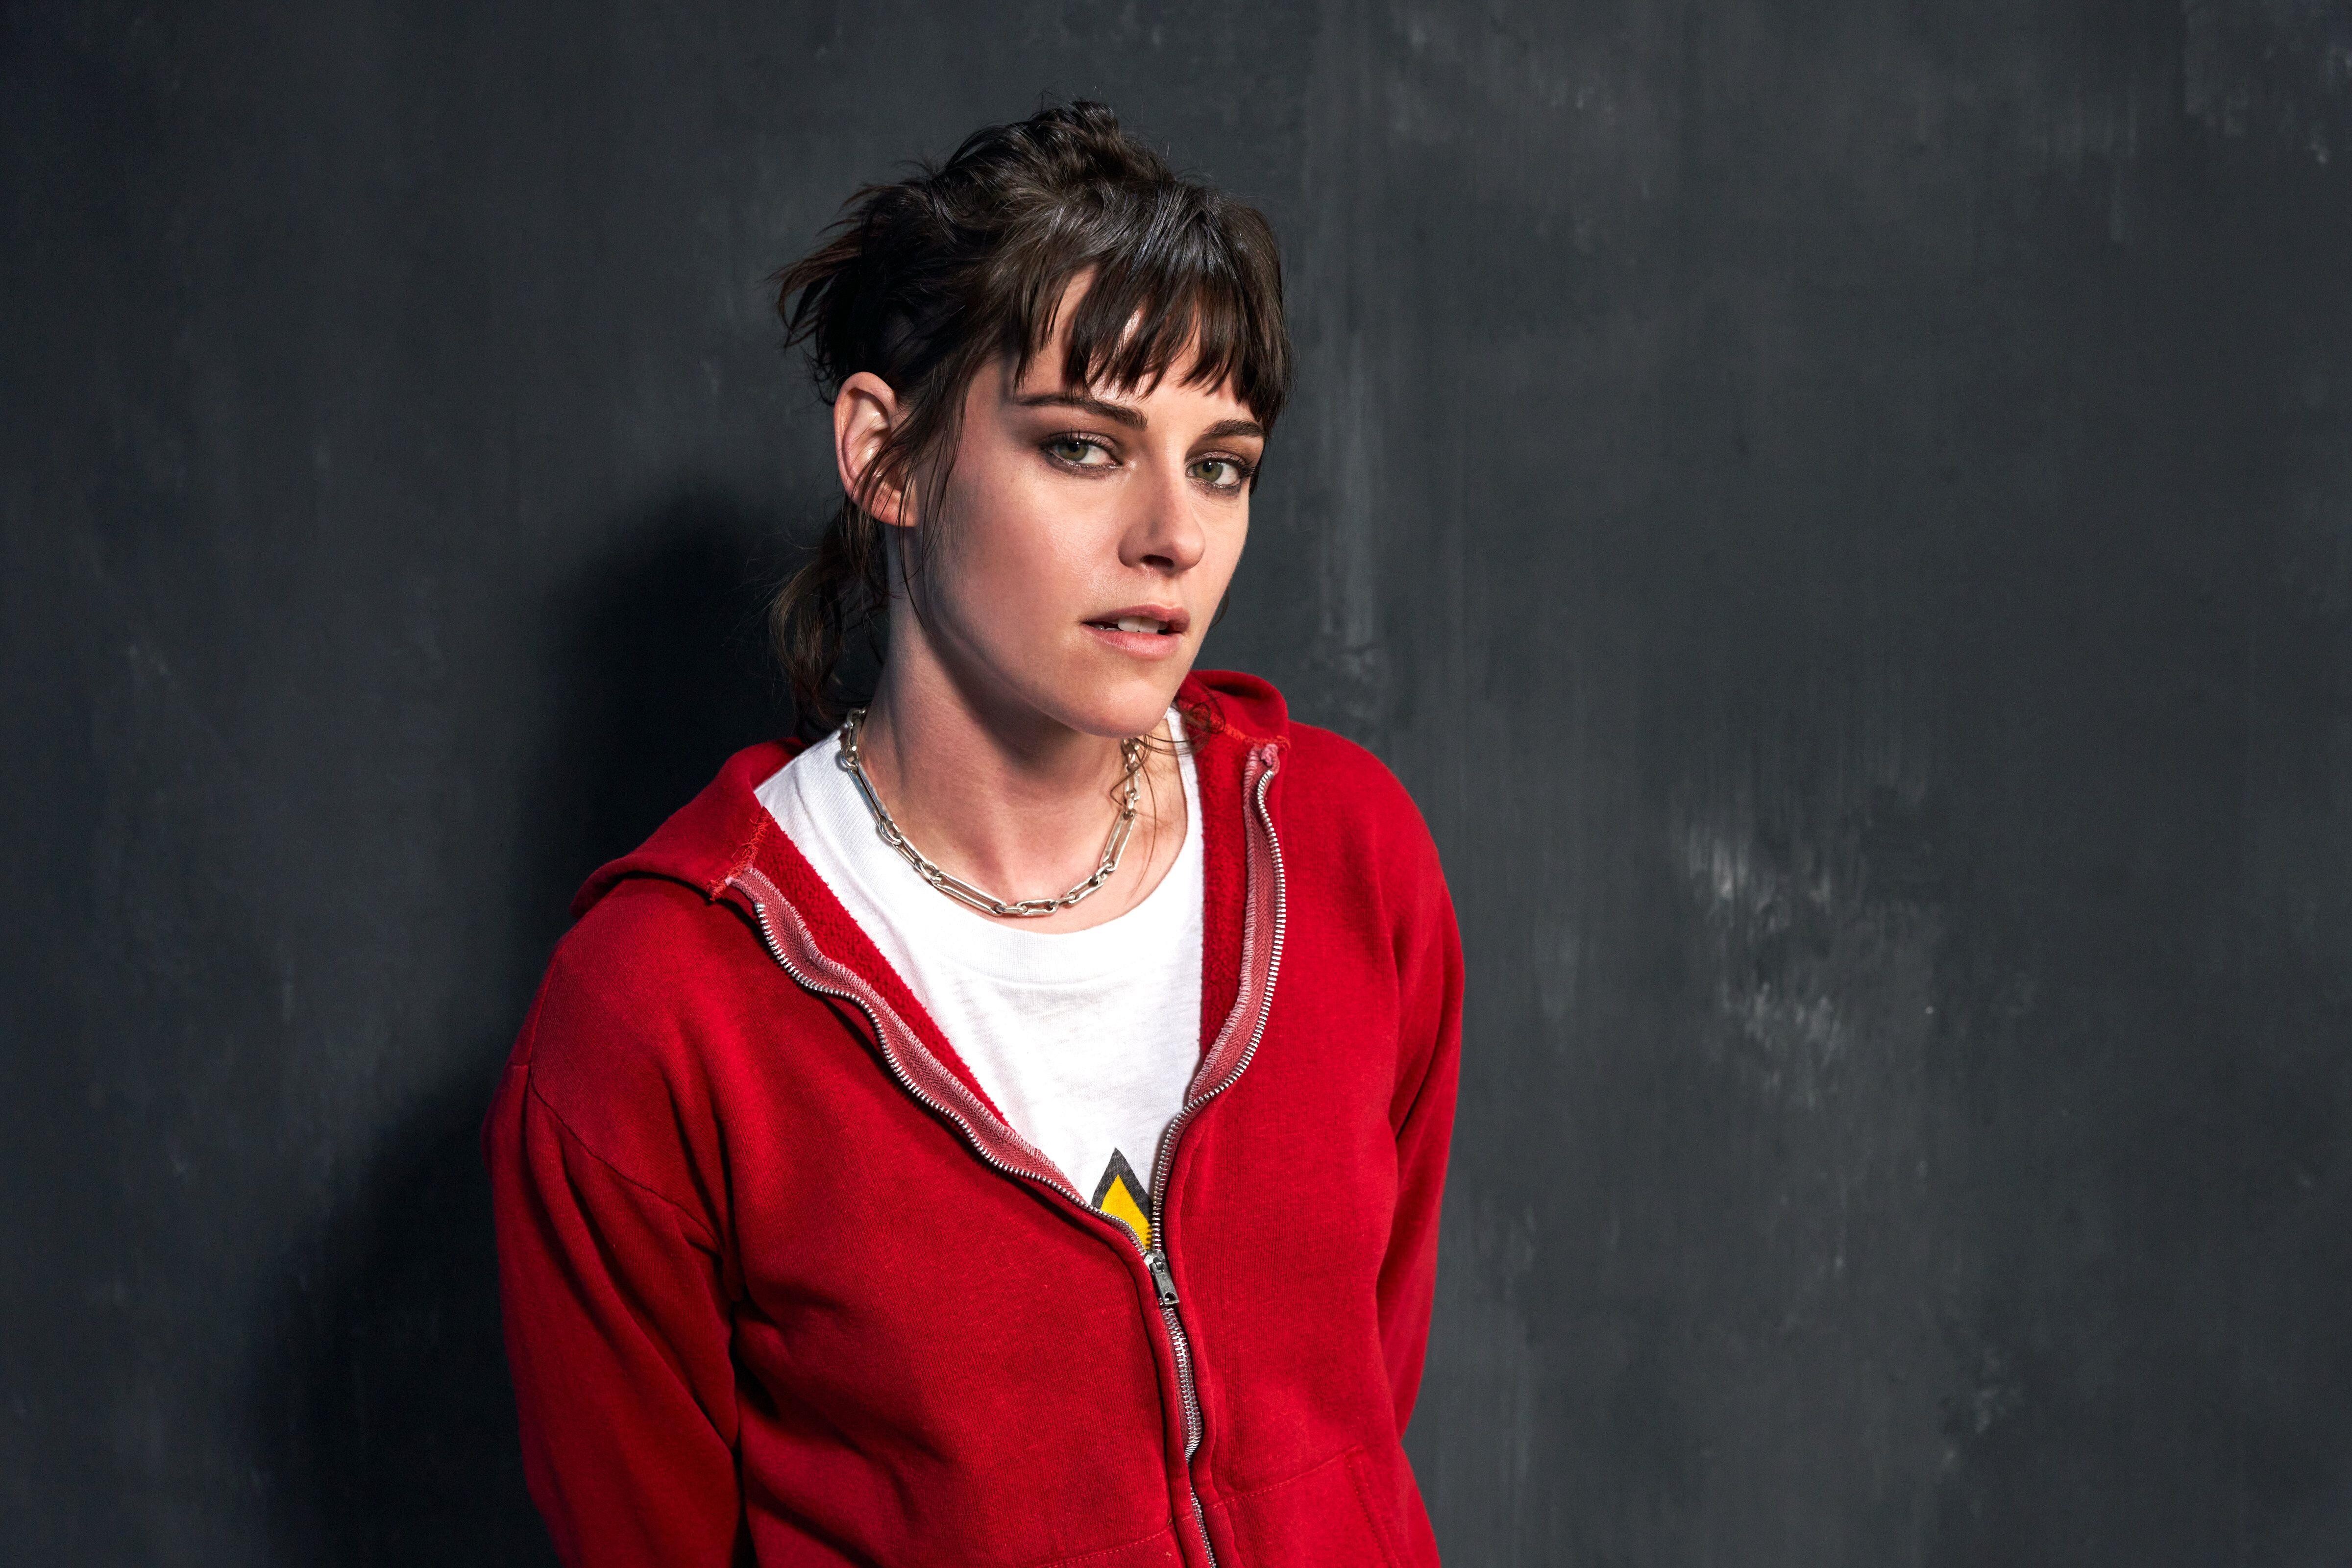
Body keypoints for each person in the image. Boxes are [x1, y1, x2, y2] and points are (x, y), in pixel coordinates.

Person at [485, 100, 1463, 1568]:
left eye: (1221, 463)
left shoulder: (1342, 853)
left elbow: (1354, 1423)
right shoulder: (658, 1014)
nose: (1174, 535)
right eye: (1083, 447)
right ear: (886, 455)